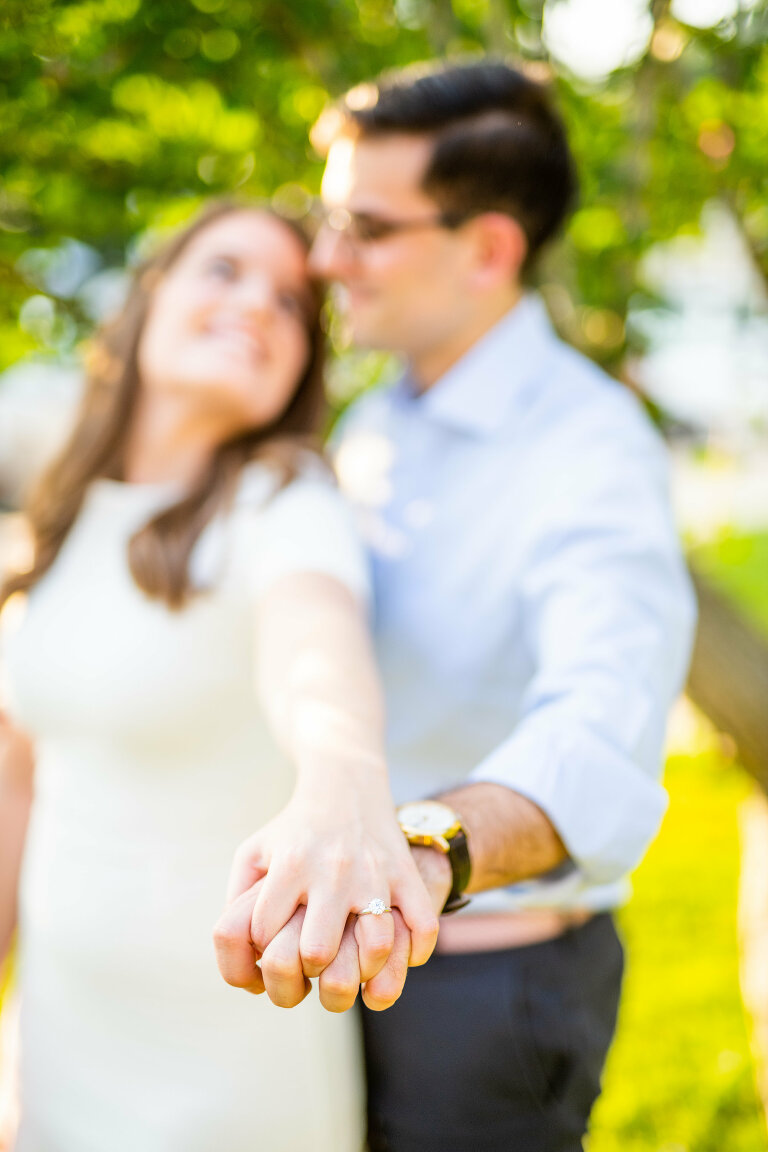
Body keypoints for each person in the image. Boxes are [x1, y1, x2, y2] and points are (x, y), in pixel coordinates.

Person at [217, 60, 697, 1151]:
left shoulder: (587, 446)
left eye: (367, 228)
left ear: (487, 249)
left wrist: (421, 852)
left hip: (488, 988)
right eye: (328, 219)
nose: (327, 259)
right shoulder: (377, 417)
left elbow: (603, 729)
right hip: (323, 955)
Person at [0, 201, 439, 1152]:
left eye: (290, 302)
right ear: (149, 292)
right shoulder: (64, 509)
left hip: (227, 1071)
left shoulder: (283, 498)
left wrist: (343, 782)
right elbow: (22, 780)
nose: (260, 308)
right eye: (226, 270)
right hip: (57, 1045)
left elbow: (314, 646)